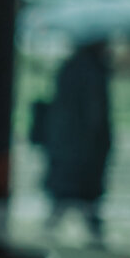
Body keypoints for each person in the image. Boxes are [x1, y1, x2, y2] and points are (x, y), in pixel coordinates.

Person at [37, 35, 113, 246]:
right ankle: (96, 246)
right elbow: (95, 116)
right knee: (83, 201)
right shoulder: (93, 72)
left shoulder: (69, 68)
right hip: (83, 151)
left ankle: (47, 242)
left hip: (65, 148)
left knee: (64, 201)